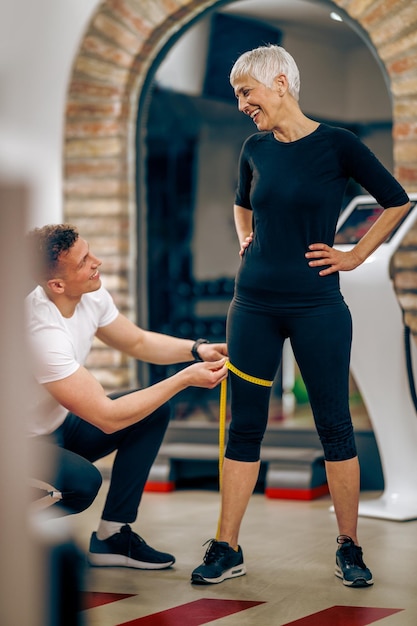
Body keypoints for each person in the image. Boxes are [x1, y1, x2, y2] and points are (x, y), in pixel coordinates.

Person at [191, 45, 411, 587]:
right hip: (253, 305)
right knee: (243, 427)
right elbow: (242, 200)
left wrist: (356, 255)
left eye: (248, 91)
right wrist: (245, 236)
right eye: (239, 93)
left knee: (334, 426)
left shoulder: (339, 145)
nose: (242, 103)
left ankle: (350, 546)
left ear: (282, 83)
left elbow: (397, 200)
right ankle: (227, 546)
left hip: (318, 306)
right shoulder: (254, 148)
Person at [26, 223, 228, 570]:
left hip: (56, 429)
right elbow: (106, 416)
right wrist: (183, 380)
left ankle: (112, 536)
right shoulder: (40, 330)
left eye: (90, 252)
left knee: (150, 412)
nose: (97, 262)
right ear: (56, 284)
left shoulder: (88, 295)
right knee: (82, 483)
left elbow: (137, 342)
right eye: (84, 261)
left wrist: (198, 350)